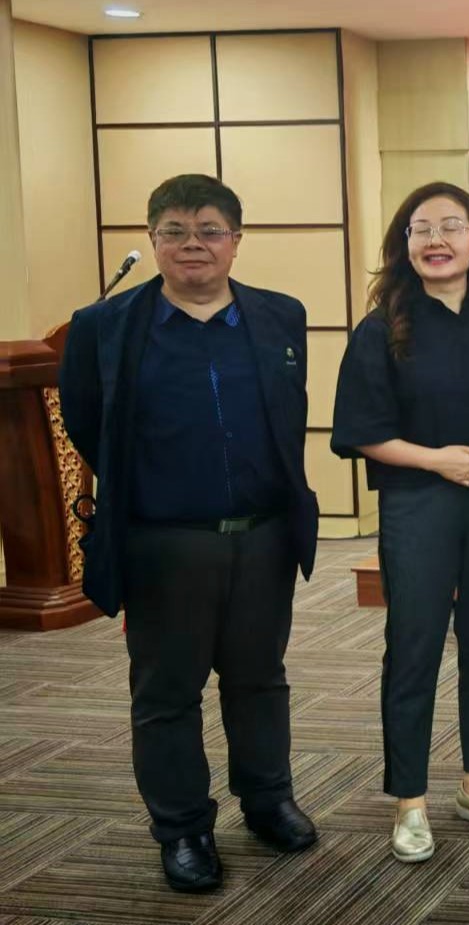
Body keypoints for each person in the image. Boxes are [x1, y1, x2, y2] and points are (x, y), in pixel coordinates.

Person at [58, 174, 321, 892]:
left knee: (259, 680)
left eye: (209, 229)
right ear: (152, 240)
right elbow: (87, 422)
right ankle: (182, 828)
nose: (192, 244)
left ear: (236, 240)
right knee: (168, 691)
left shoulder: (280, 316)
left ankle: (267, 800)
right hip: (163, 542)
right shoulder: (103, 327)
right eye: (174, 230)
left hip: (264, 536)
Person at [330, 182, 469, 864]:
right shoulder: (383, 327)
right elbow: (359, 431)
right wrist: (436, 460)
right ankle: (409, 799)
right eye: (421, 229)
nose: (436, 239)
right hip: (418, 504)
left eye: (452, 226)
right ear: (404, 245)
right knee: (412, 648)